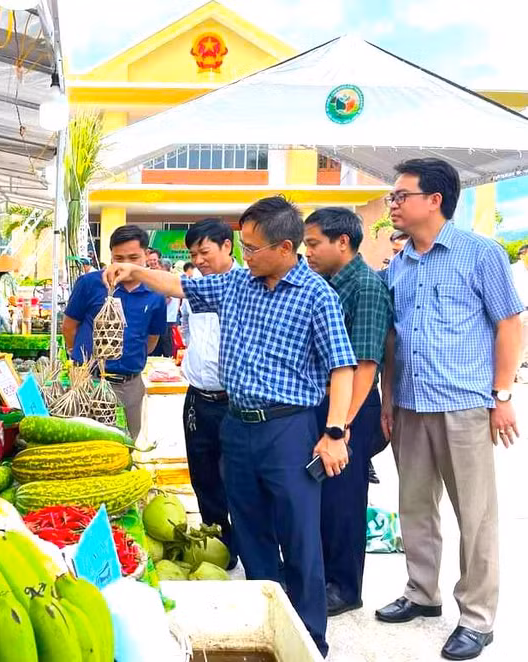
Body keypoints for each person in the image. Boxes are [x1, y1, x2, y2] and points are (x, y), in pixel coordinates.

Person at [104, 197, 357, 657]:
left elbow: (343, 367)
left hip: (289, 430)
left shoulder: (317, 295)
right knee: (249, 528)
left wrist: (335, 431)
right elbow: (181, 287)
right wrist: (137, 273)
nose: (244, 254)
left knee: (299, 536)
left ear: (284, 247)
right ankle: (264, 619)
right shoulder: (238, 283)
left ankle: (309, 638)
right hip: (238, 428)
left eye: (252, 247)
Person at [376, 158, 523, 661]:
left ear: (434, 200)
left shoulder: (479, 254)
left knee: (475, 517)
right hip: (411, 406)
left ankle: (478, 619)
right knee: (415, 507)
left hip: (464, 405)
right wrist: (388, 397)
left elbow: (509, 325)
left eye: (401, 195)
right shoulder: (400, 264)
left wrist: (501, 396)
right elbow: (393, 338)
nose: (393, 204)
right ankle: (422, 593)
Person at [303, 208, 393, 617]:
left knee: (343, 501)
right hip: (324, 402)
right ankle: (321, 577)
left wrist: (340, 426)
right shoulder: (323, 283)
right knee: (320, 497)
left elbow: (366, 364)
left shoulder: (365, 287)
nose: (308, 252)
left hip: (350, 407)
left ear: (343, 242)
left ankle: (345, 586)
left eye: (314, 243)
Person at [64, 225, 167, 440]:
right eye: (118, 258)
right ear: (110, 256)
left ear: (146, 255)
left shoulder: (156, 292)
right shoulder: (90, 284)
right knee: (85, 445)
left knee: (127, 443)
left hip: (130, 385)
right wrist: (77, 357)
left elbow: (152, 338)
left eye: (133, 258)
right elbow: (69, 326)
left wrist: (129, 357)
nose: (125, 265)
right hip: (89, 382)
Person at [179, 219, 238, 568]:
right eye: (193, 254)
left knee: (238, 478)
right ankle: (219, 545)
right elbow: (189, 329)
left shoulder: (246, 286)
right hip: (197, 398)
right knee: (203, 475)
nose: (199, 260)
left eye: (205, 251)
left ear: (227, 246)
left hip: (233, 401)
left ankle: (249, 545)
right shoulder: (194, 288)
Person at [509, 244, 528, 381]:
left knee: (525, 344)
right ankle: (510, 372)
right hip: (517, 311)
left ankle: (519, 370)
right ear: (522, 254)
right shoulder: (513, 270)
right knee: (513, 342)